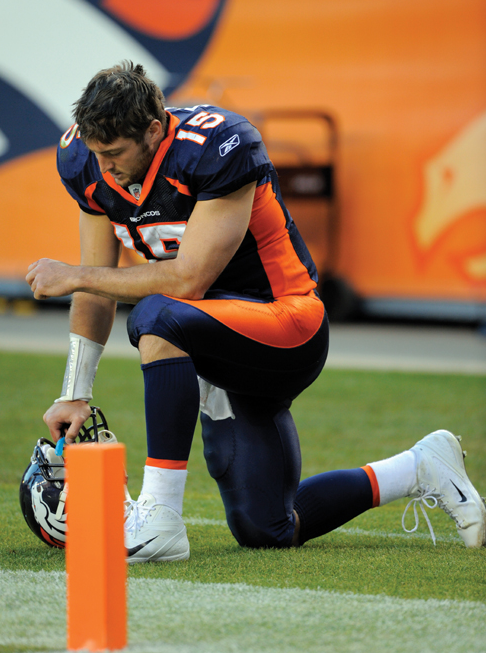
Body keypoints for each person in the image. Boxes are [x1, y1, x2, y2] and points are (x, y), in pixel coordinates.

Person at [26, 61, 485, 562]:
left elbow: (187, 279)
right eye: (97, 154)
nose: (105, 167)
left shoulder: (217, 147)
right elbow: (96, 289)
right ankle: (421, 466)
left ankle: (159, 517)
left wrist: (74, 274)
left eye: (114, 153)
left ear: (154, 131)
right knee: (266, 528)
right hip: (214, 341)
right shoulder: (86, 164)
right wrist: (74, 393)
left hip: (285, 324)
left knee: (156, 314)